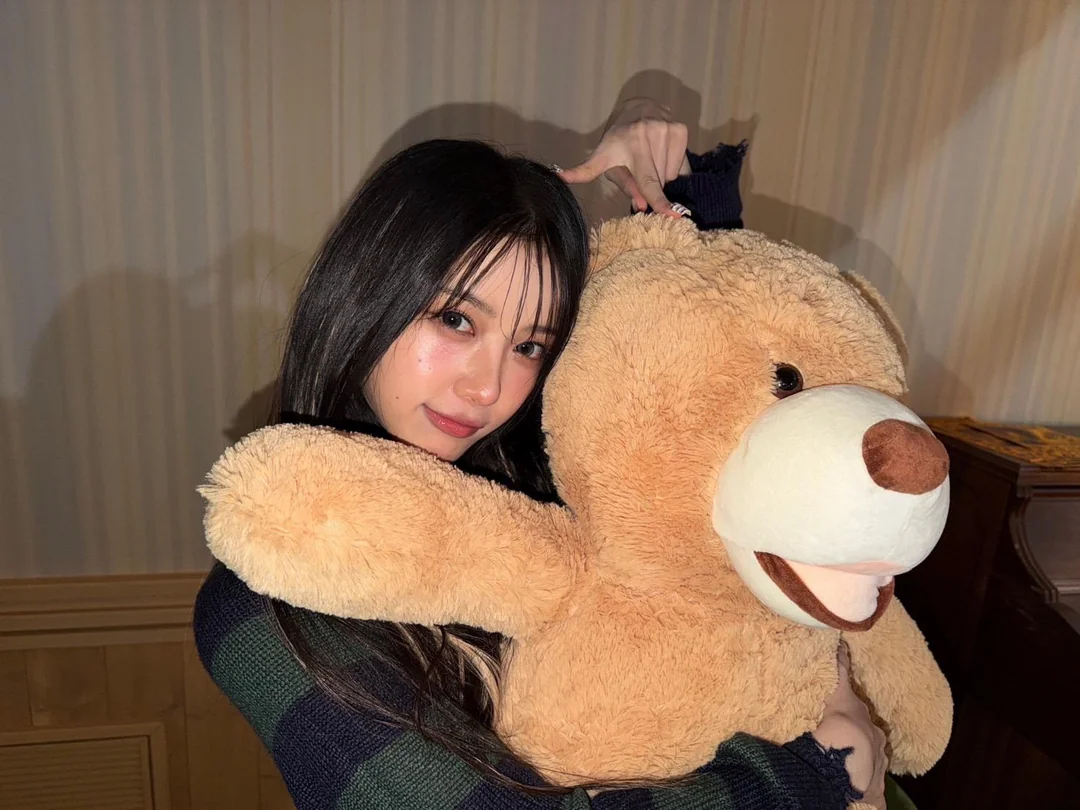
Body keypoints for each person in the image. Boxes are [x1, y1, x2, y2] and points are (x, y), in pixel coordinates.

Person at [194, 97, 886, 810]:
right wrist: (822, 771)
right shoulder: (262, 601)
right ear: (366, 295)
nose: (488, 387)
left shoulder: (535, 479)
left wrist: (676, 193)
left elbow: (714, 413)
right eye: (456, 319)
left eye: (529, 345)